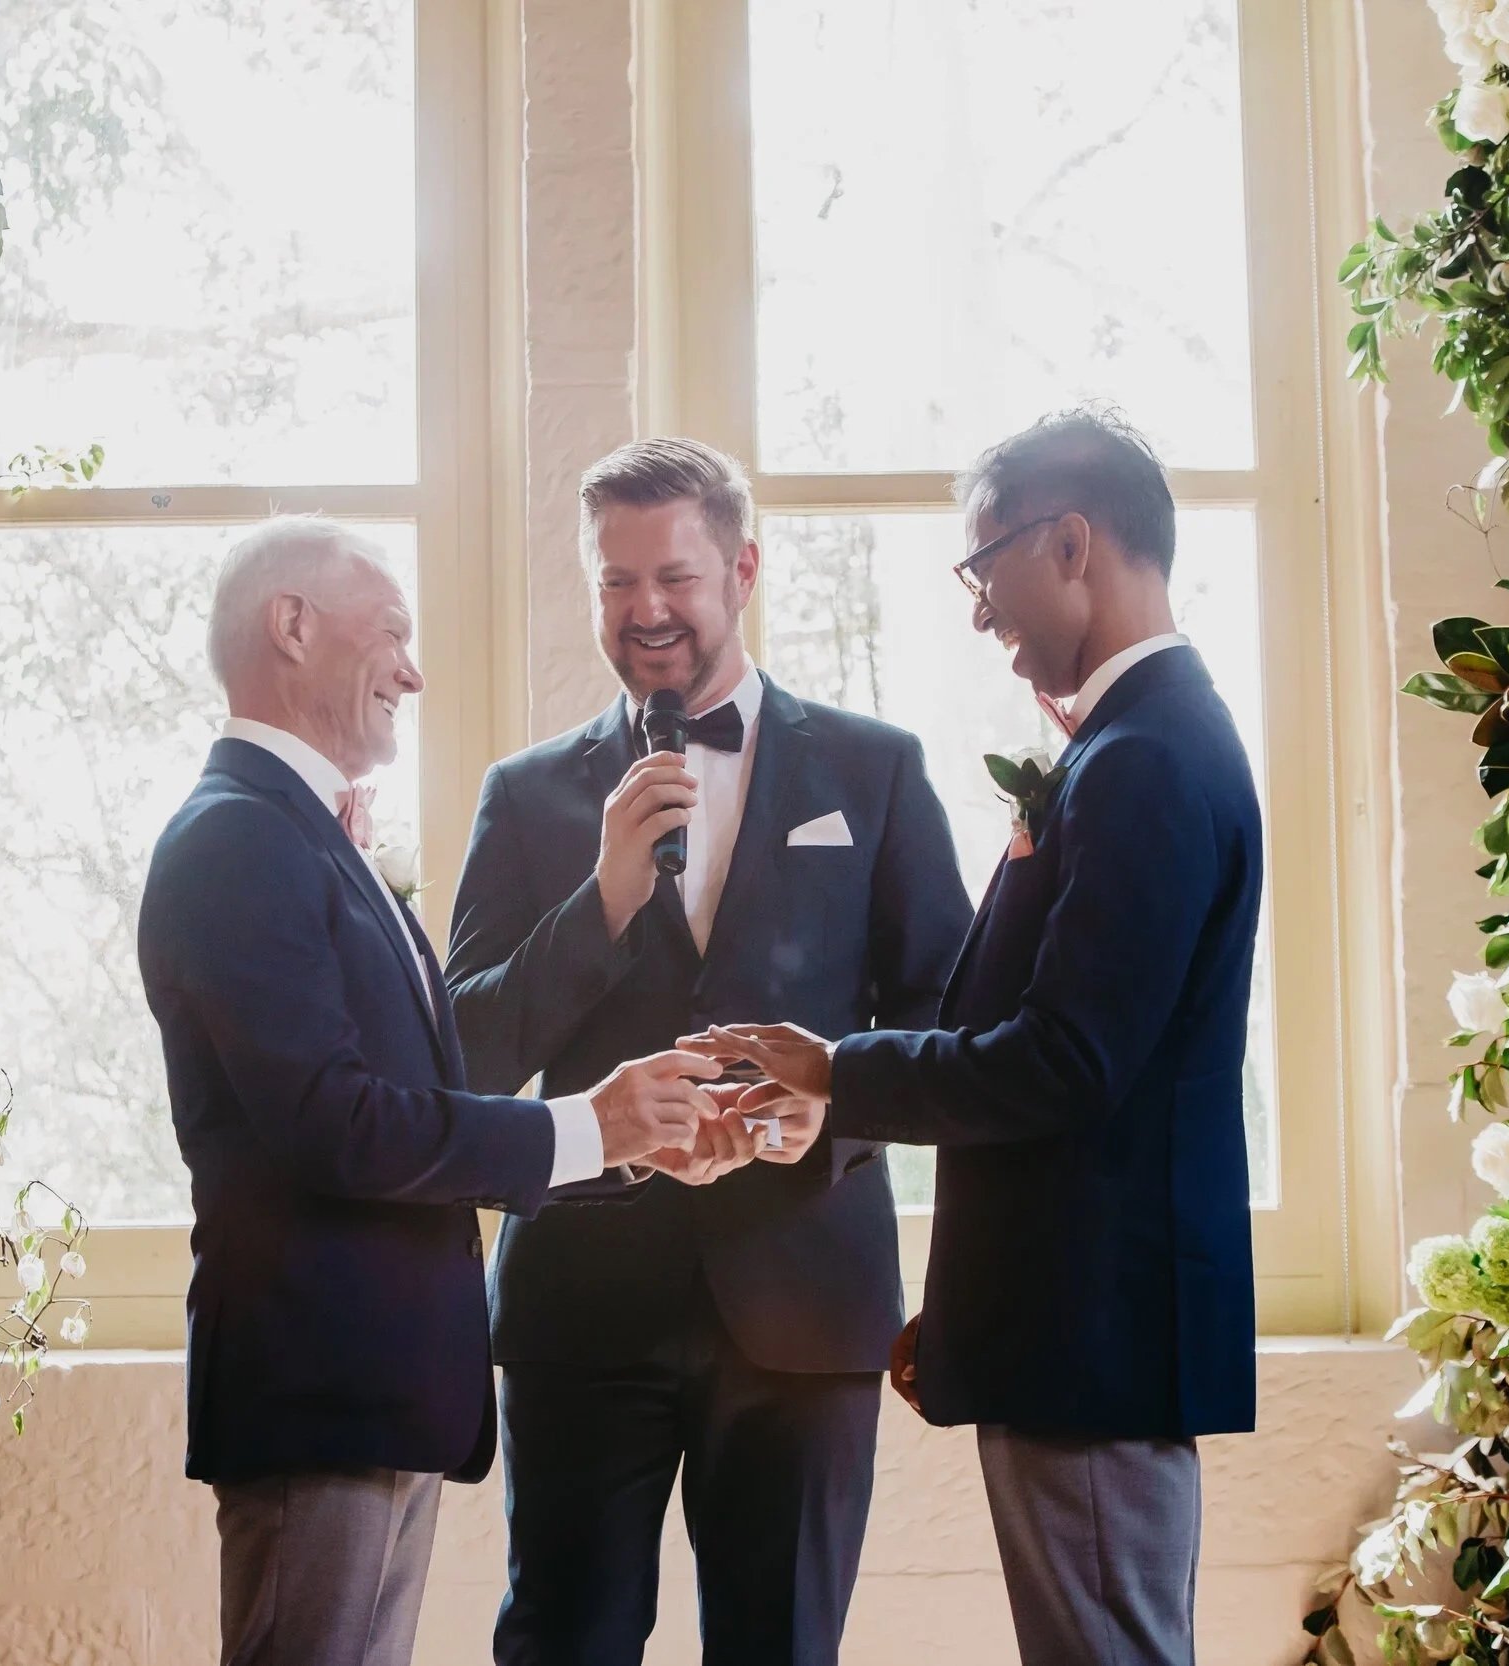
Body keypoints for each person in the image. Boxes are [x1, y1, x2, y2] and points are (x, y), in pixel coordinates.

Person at [689, 409, 1264, 1666]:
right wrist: (962, 1306)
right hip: (1074, 1322)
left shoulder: (1147, 759)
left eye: (982, 565)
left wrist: (836, 1069)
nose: (976, 609)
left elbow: (1066, 1059)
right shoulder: (1134, 744)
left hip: (1096, 1338)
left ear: (1070, 543)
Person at [137, 517, 738, 1666]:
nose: (415, 669)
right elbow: (335, 1121)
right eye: (396, 634)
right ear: (293, 627)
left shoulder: (306, 838)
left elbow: (423, 1079)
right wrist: (587, 1123)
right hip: (319, 1386)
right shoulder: (236, 842)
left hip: (374, 1391)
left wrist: (617, 1136)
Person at [447, 440, 973, 1665]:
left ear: (741, 567)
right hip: (583, 1307)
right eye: (615, 583)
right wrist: (602, 902)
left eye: (673, 576)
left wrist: (831, 1115)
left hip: (804, 1294)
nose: (647, 612)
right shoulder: (525, 798)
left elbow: (946, 1020)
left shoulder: (874, 769)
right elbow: (463, 1050)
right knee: (562, 1645)